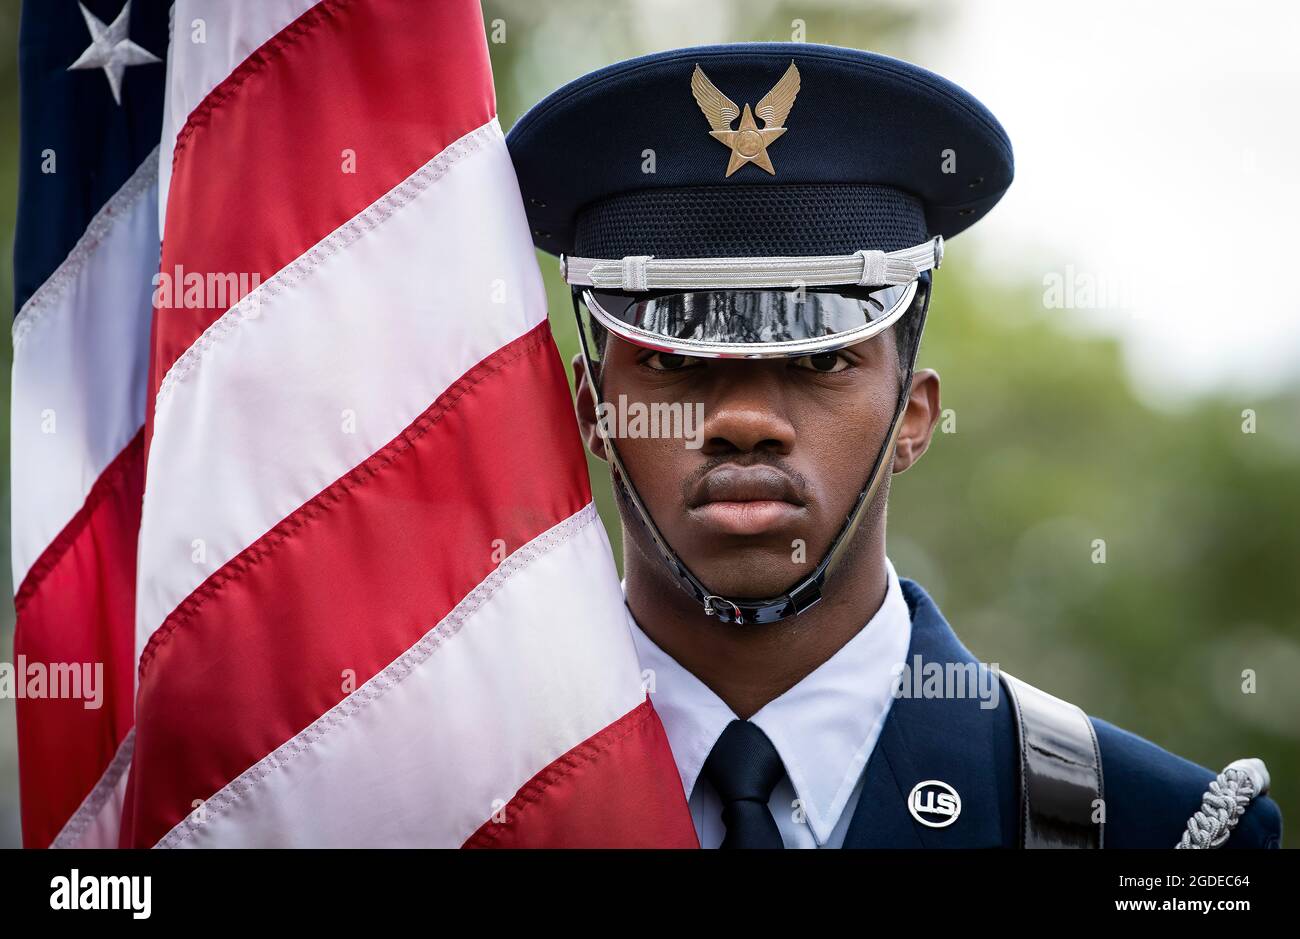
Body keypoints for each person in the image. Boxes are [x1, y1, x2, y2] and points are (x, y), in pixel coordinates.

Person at [506, 42, 1283, 848]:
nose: (745, 419)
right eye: (675, 360)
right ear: (591, 411)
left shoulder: (1148, 826)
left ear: (915, 415)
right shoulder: (449, 798)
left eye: (820, 360)